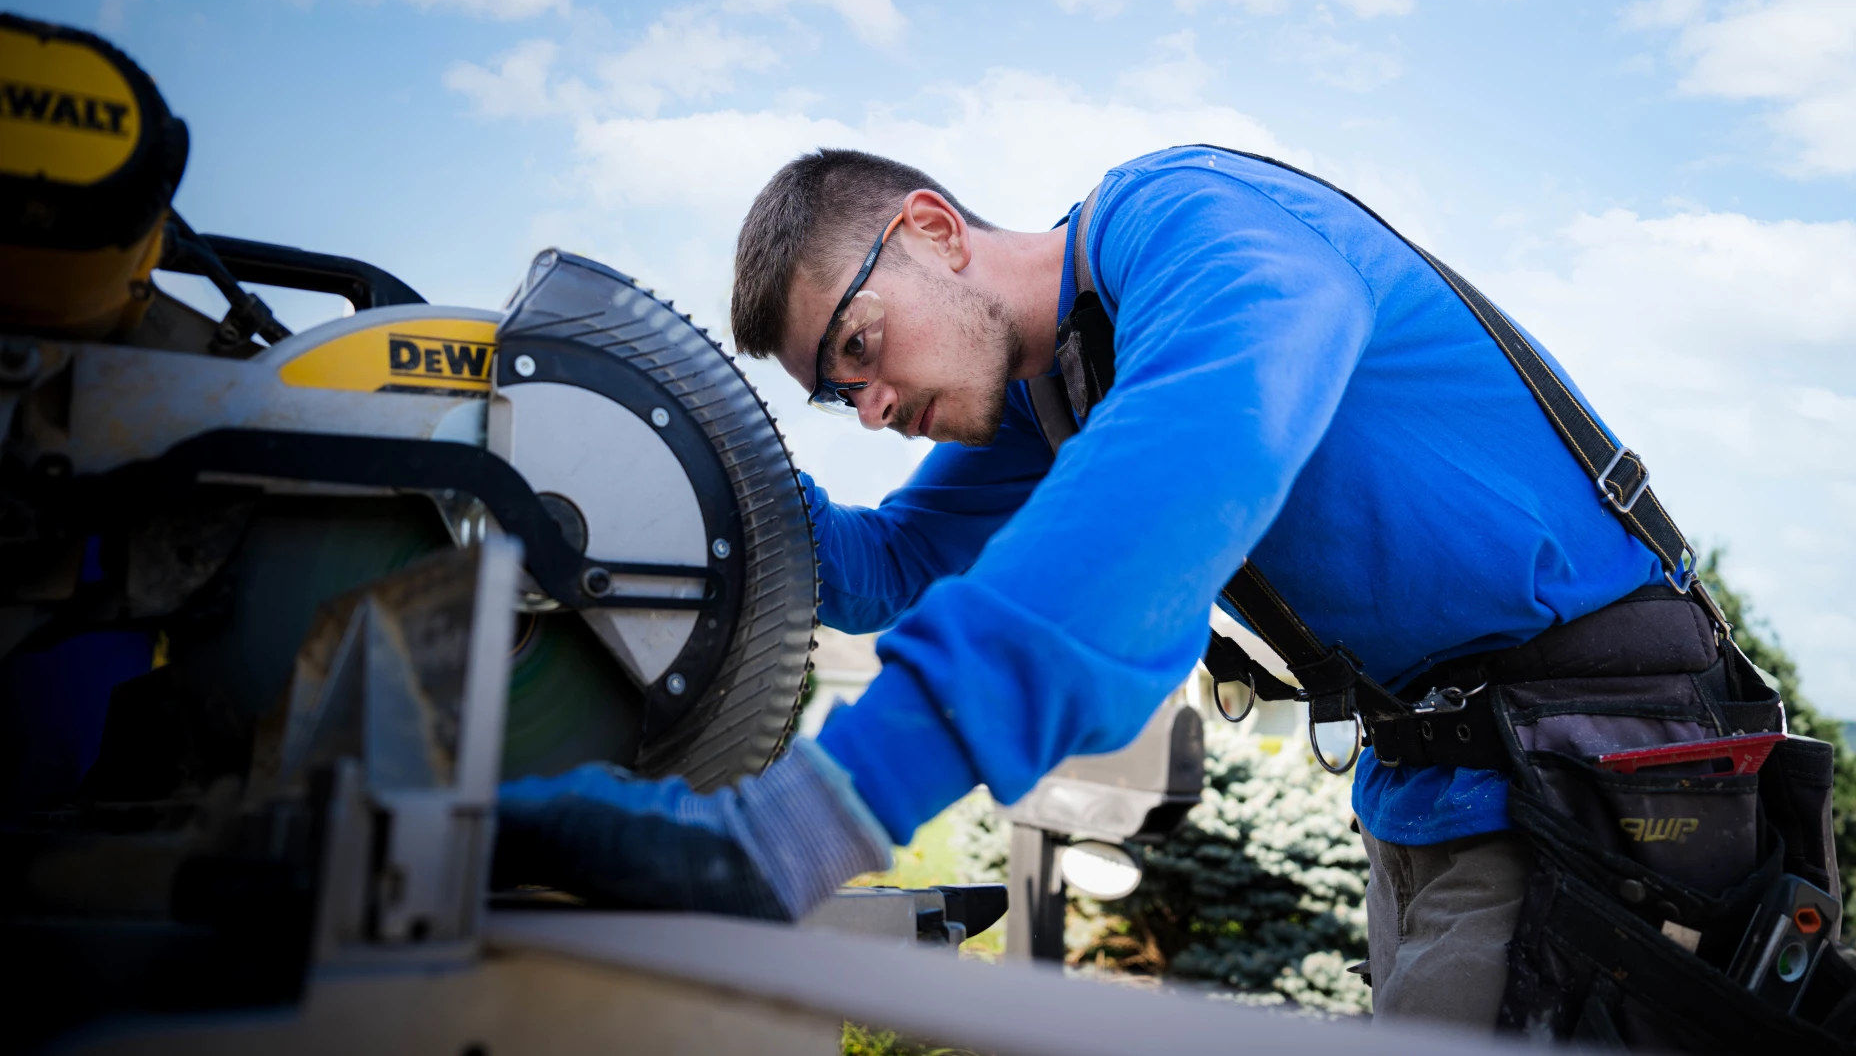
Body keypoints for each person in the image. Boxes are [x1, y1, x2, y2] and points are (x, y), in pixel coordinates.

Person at [494, 145, 1725, 1029]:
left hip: (1602, 768)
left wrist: (793, 832)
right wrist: (676, 451)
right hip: (1435, 794)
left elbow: (1184, 470)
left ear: (929, 227)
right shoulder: (1050, 390)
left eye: (860, 349)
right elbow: (883, 568)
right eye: (837, 394)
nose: (867, 409)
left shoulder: (1193, 224)